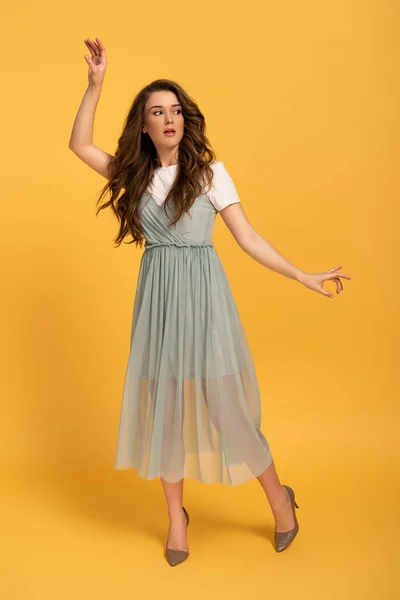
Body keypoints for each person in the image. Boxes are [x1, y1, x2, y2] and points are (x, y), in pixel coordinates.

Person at [69, 37, 351, 567]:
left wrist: (300, 274)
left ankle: (279, 498)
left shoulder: (209, 172)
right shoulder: (134, 176)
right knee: (167, 414)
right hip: (158, 304)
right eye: (157, 111)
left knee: (227, 409)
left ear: (184, 119)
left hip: (205, 300)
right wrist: (95, 86)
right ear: (144, 126)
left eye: (175, 109)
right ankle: (177, 516)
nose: (169, 118)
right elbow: (80, 145)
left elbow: (249, 238)